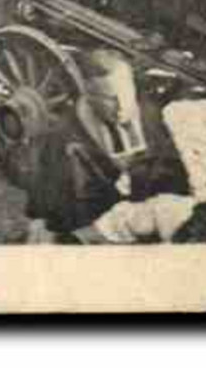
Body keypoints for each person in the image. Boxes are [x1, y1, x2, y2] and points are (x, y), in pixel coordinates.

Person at [24, 50, 190, 244]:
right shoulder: (61, 137)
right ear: (88, 94)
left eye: (125, 93)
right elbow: (48, 206)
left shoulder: (157, 116)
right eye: (109, 98)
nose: (121, 106)